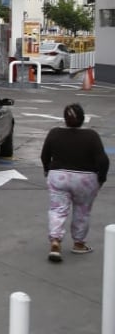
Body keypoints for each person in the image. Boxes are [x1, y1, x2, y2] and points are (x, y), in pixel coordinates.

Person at [40, 102, 107, 262]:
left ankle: (55, 241)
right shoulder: (91, 136)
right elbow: (102, 161)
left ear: (65, 119)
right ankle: (79, 243)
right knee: (82, 211)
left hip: (59, 176)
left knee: (57, 210)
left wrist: (47, 170)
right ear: (83, 119)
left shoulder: (54, 133)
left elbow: (44, 155)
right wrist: (101, 179)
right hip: (85, 179)